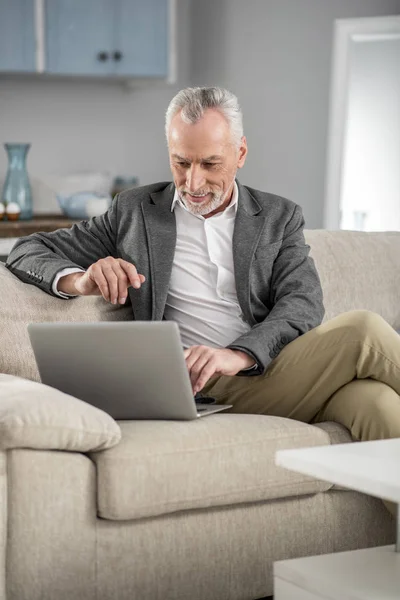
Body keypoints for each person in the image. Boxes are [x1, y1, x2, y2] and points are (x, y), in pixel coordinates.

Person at [6, 87, 400, 464]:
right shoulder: (135, 212)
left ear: (240, 152)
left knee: (376, 404)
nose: (193, 183)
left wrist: (239, 354)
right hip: (200, 386)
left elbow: (303, 304)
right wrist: (80, 280)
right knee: (363, 330)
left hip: (273, 368)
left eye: (210, 164)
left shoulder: (279, 217)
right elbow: (26, 250)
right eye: (181, 162)